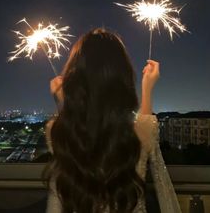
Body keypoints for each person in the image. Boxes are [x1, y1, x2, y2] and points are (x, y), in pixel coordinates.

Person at [45, 28, 181, 213]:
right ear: (123, 77)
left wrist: (63, 101)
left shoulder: (57, 131)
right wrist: (147, 89)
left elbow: (71, 131)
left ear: (75, 78)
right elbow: (145, 128)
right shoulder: (144, 130)